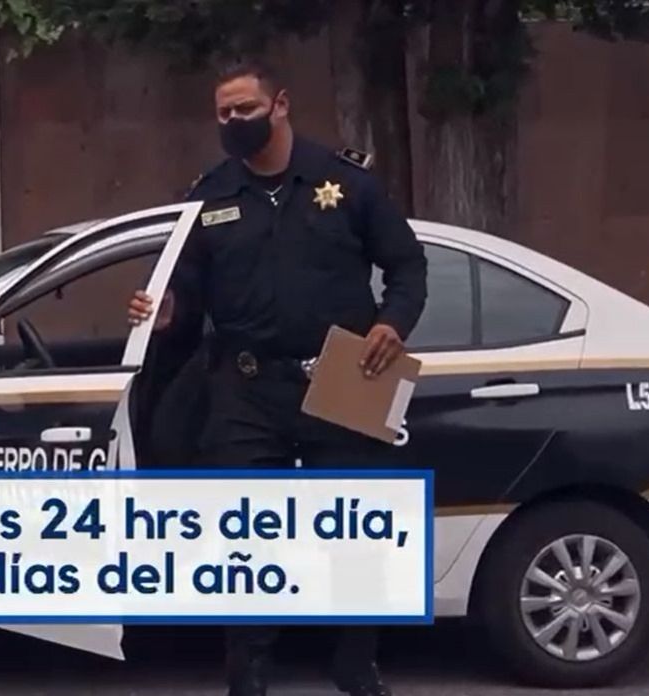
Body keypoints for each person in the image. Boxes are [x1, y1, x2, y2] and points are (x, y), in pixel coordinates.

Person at [127, 59, 428, 696]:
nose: (234, 121)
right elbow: (184, 297)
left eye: (246, 109)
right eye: (224, 113)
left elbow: (408, 267)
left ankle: (355, 663)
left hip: (345, 374)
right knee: (245, 536)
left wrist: (393, 323)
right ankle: (249, 673)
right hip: (246, 386)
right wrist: (166, 314)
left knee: (357, 530)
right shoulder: (207, 197)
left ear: (281, 104)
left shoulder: (345, 183)